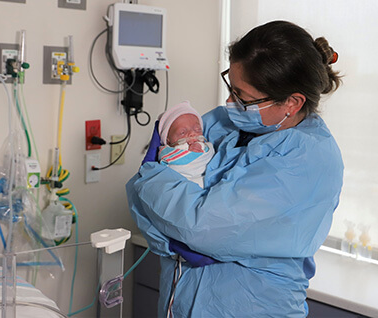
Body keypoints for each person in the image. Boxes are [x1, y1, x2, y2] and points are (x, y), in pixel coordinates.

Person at [127, 20, 344, 317]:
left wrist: (153, 179)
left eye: (243, 97)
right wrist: (173, 233)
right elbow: (139, 200)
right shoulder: (226, 122)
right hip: (179, 299)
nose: (229, 102)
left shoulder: (307, 158)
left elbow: (200, 227)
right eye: (232, 86)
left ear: (292, 102)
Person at [157, 101, 215, 188]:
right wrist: (191, 155)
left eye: (197, 129)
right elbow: (174, 167)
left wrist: (201, 151)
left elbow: (211, 159)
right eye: (183, 132)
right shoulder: (168, 152)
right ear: (168, 141)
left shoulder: (205, 146)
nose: (192, 133)